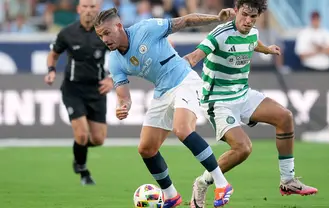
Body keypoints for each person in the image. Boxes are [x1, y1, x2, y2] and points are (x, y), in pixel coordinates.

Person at [94, 7, 235, 208]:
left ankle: (222, 184)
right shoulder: (115, 61)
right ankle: (171, 196)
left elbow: (185, 21)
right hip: (162, 91)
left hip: (184, 80)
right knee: (146, 148)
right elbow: (123, 95)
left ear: (118, 26)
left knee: (182, 129)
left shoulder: (147, 28)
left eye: (107, 33)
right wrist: (122, 106)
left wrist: (216, 18)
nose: (104, 39)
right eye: (100, 36)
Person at [183, 0, 319, 207]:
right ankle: (202, 183)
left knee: (285, 117)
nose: (247, 21)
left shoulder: (253, 32)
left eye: (253, 17)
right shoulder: (220, 34)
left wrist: (267, 50)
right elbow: (195, 56)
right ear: (236, 11)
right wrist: (181, 66)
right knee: (243, 148)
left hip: (243, 94)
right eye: (244, 14)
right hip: (218, 100)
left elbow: (253, 43)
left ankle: (288, 181)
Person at [44, 0, 113, 185]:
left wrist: (112, 79)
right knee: (82, 134)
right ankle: (83, 171)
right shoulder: (68, 32)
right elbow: (54, 53)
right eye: (85, 7)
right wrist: (51, 70)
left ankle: (78, 149)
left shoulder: (105, 32)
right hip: (73, 89)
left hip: (97, 89)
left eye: (92, 7)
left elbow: (122, 56)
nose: (89, 11)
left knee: (98, 139)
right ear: (78, 9)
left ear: (98, 10)